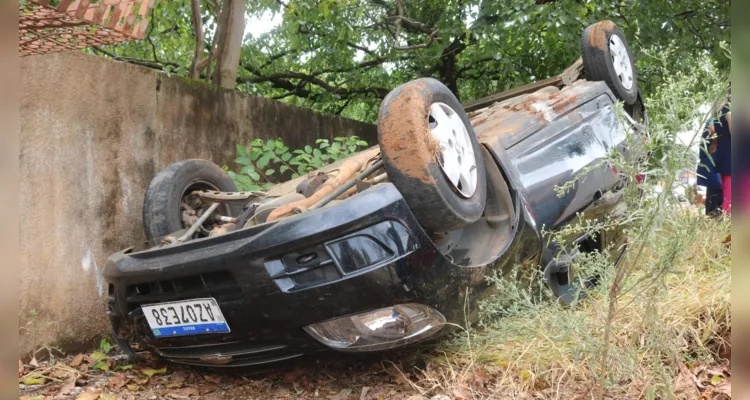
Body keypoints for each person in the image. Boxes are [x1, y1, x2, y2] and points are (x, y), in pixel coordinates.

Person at [697, 119, 723, 217]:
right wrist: (715, 142)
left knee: (714, 191)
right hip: (716, 167)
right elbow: (711, 128)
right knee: (716, 190)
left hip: (715, 170)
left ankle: (713, 219)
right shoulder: (717, 117)